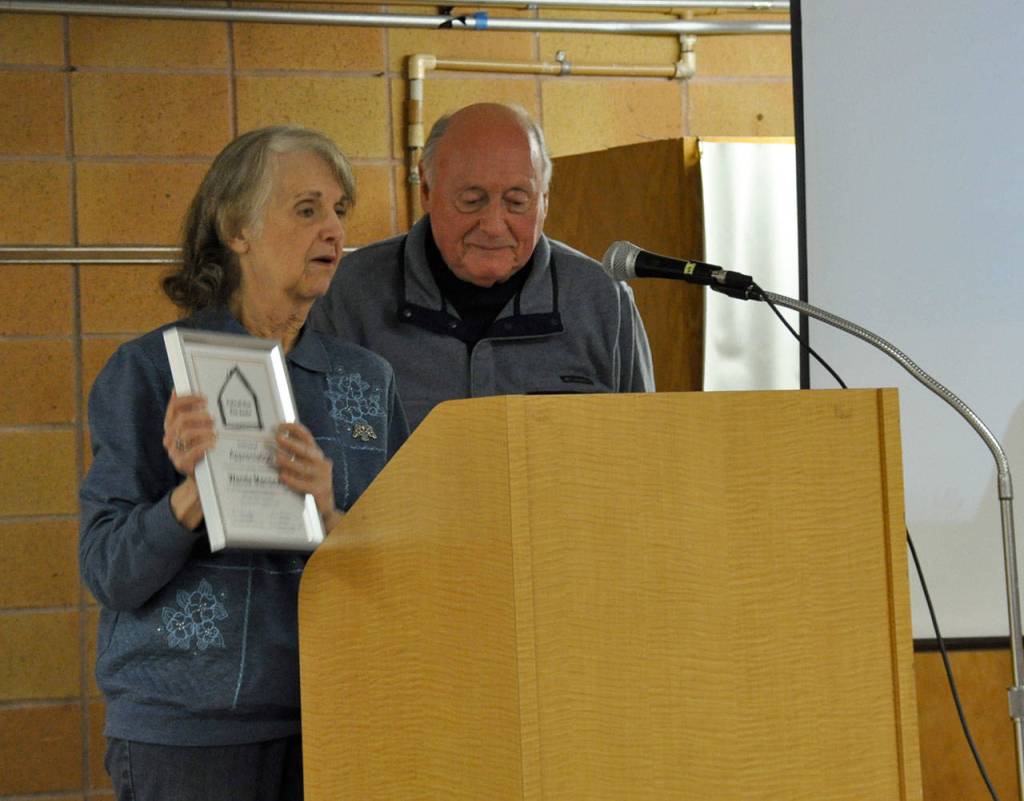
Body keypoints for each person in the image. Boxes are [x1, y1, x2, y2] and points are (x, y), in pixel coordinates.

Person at [79, 125, 408, 801]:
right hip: (189, 734)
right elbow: (108, 571)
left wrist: (331, 515)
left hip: (337, 718)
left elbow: (405, 573)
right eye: (307, 209)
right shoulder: (150, 372)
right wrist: (193, 496)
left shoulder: (367, 382)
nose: (334, 231)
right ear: (237, 229)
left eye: (340, 210)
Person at [309, 102, 654, 430]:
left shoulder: (603, 301)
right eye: (472, 200)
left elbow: (644, 448)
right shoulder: (347, 295)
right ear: (426, 189)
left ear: (545, 200)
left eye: (516, 202)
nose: (493, 225)